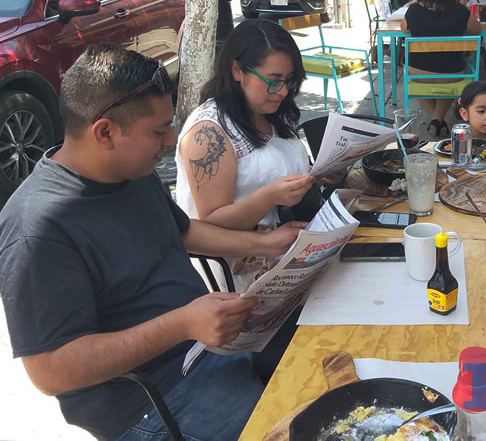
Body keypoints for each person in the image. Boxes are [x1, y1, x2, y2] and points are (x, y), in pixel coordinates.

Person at [0, 43, 306, 440]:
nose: (171, 140)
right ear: (105, 132)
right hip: (151, 402)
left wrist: (268, 244)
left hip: (211, 349)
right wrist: (182, 324)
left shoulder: (131, 169)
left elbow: (182, 231)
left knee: (332, 364)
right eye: (159, 130)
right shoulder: (38, 228)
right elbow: (50, 371)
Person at [176, 19, 318, 293]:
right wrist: (269, 196)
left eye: (289, 81)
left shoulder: (268, 111)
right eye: (273, 80)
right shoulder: (208, 133)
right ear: (237, 70)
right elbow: (211, 223)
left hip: (290, 258)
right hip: (241, 281)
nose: (284, 91)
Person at [402, 0, 481, 137]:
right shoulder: (459, 11)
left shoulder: (414, 11)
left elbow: (403, 28)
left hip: (418, 73)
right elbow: (477, 28)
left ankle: (436, 119)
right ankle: (438, 118)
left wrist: (418, 0)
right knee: (445, 80)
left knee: (416, 84)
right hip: (452, 74)